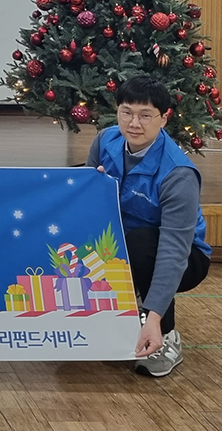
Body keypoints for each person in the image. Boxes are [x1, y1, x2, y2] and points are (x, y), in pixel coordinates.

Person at [86, 76, 211, 377]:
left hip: (183, 256)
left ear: (164, 118)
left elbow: (173, 251)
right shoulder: (105, 141)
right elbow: (85, 202)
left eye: (145, 116)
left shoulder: (178, 175)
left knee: (141, 243)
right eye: (126, 112)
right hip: (120, 241)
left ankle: (166, 335)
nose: (134, 123)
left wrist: (154, 319)